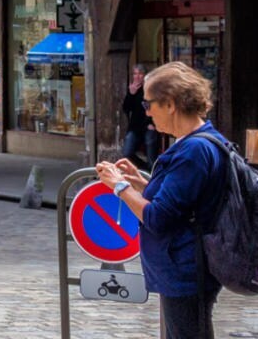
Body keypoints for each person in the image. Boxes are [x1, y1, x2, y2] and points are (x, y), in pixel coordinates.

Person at [98, 62, 231, 339]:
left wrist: (120, 186)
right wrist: (141, 183)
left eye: (148, 105)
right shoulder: (202, 140)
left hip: (185, 267)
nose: (147, 113)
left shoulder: (193, 150)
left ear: (170, 104)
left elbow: (159, 217)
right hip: (187, 264)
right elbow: (184, 202)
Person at [120, 64, 152, 168]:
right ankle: (145, 168)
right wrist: (131, 94)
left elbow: (152, 107)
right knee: (127, 153)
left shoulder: (150, 88)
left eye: (140, 74)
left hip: (148, 126)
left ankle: (152, 170)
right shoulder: (132, 88)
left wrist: (152, 123)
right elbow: (126, 108)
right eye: (135, 74)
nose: (137, 77)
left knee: (150, 147)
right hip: (135, 127)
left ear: (145, 75)